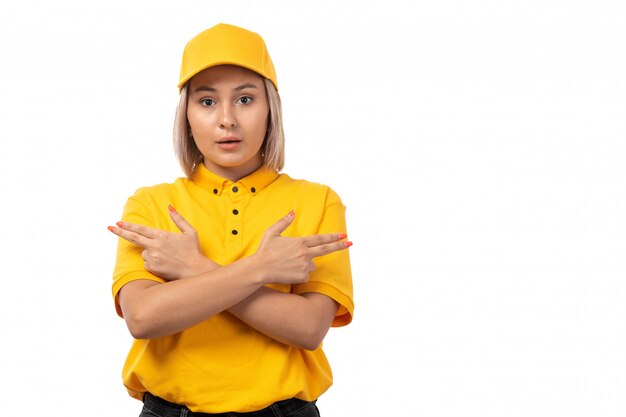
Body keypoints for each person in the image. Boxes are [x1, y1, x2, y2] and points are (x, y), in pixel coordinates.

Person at [108, 23, 354, 417]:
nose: (226, 119)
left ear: (270, 108)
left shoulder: (317, 200)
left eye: (244, 99)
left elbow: (309, 328)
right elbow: (143, 317)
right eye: (207, 102)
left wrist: (194, 268)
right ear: (186, 114)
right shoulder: (152, 203)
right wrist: (261, 268)